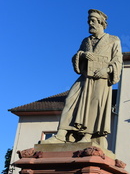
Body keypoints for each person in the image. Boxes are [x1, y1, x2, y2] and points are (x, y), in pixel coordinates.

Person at [42, 9, 122, 147]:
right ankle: (61, 134)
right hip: (85, 77)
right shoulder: (86, 41)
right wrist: (82, 55)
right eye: (89, 21)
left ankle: (88, 135)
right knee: (70, 100)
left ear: (101, 23)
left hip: (100, 78)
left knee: (95, 105)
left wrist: (107, 70)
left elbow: (118, 61)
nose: (90, 24)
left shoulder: (113, 40)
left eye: (93, 21)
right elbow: (76, 57)